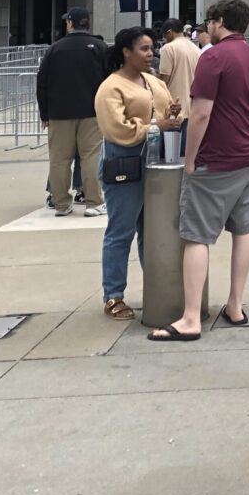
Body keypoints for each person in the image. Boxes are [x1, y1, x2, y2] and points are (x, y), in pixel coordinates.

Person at [149, 0, 249, 341]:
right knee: (243, 230)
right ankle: (235, 305)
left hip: (217, 158)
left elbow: (200, 113)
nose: (206, 28)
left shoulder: (213, 57)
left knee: (196, 236)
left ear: (219, 21)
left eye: (209, 22)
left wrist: (190, 159)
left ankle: (190, 318)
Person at [94, 27, 182, 320]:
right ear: (126, 52)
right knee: (121, 230)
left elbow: (168, 110)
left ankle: (157, 286)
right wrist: (157, 125)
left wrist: (173, 114)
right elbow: (117, 129)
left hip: (155, 163)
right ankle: (113, 295)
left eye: (151, 48)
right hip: (125, 164)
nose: (150, 54)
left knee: (153, 230)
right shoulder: (111, 87)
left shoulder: (152, 81)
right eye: (143, 49)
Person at [36, 7, 109, 218]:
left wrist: (44, 113)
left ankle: (61, 204)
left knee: (59, 159)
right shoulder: (99, 46)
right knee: (91, 156)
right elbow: (109, 79)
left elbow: (42, 82)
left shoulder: (55, 49)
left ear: (70, 23)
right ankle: (94, 202)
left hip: (59, 113)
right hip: (91, 112)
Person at [158, 17, 201, 152]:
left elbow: (164, 79)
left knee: (170, 153)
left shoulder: (168, 49)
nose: (164, 40)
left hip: (173, 109)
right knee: (185, 152)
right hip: (192, 107)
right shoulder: (196, 49)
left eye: (164, 36)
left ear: (170, 32)